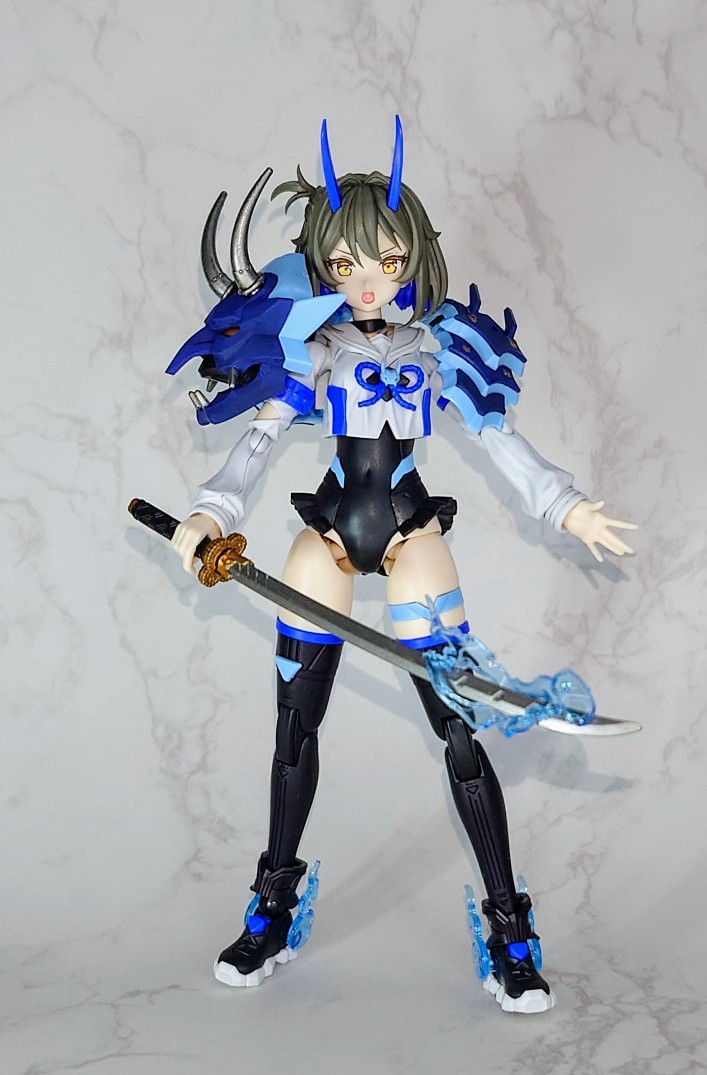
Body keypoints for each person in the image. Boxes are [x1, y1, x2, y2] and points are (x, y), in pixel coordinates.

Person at [169, 119, 636, 1012]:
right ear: (322, 266)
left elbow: (499, 441)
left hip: (410, 532)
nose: (366, 279)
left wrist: (561, 502)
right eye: (344, 264)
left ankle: (508, 925)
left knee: (458, 728)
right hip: (328, 534)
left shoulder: (440, 348)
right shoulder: (314, 349)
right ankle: (272, 905)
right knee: (294, 726)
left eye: (384, 260)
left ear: (413, 255)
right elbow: (259, 443)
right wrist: (210, 511)